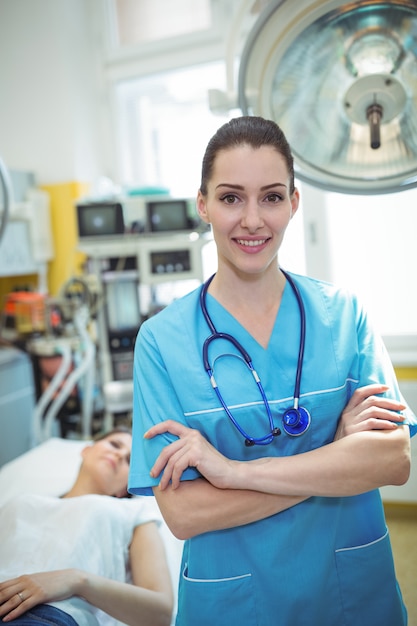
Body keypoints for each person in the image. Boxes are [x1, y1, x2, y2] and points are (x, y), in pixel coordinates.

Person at [127, 116, 417, 626]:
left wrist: (232, 473)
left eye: (272, 197)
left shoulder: (344, 315)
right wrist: (335, 459)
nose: (253, 220)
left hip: (350, 590)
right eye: (232, 197)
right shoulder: (161, 342)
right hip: (234, 601)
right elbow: (184, 513)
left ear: (294, 203)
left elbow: (392, 461)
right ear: (204, 205)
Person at [0, 427, 173, 626]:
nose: (118, 454)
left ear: (126, 487)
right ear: (86, 450)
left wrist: (76, 580)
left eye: (129, 461)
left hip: (47, 615)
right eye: (114, 444)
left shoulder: (132, 512)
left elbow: (161, 614)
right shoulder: (21, 501)